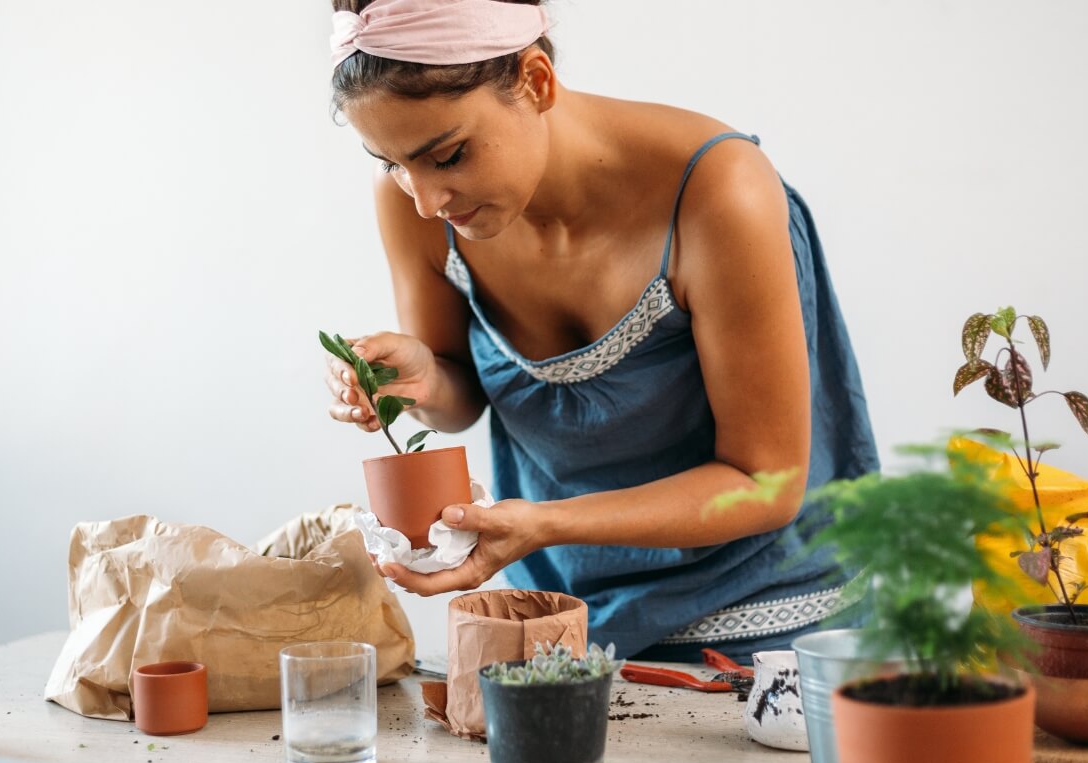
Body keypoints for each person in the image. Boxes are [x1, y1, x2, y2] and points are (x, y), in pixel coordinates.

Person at [321, 0, 879, 661]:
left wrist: (542, 526)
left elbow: (765, 482)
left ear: (536, 81)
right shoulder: (416, 202)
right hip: (557, 623)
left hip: (765, 629)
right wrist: (423, 376)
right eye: (388, 161)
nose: (424, 199)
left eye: (448, 155)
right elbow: (460, 395)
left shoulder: (720, 191)